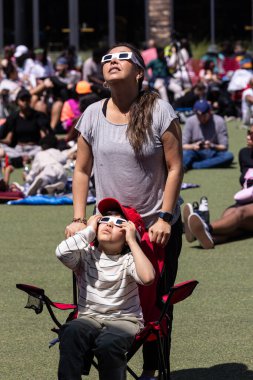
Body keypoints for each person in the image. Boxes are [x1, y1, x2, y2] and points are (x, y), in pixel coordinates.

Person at [65, 42, 183, 380]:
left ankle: (152, 369)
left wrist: (165, 216)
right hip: (110, 229)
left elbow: (175, 167)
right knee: (101, 297)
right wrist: (78, 219)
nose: (113, 62)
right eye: (107, 58)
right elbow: (82, 171)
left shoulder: (160, 110)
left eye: (122, 58)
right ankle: (98, 362)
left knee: (157, 303)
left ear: (140, 73)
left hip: (154, 227)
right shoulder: (91, 114)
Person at [57, 197, 155, 380]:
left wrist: (133, 242)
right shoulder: (85, 256)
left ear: (128, 234)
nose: (109, 225)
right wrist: (88, 230)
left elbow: (148, 278)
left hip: (124, 320)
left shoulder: (128, 260)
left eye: (119, 223)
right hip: (89, 318)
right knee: (70, 332)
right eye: (104, 219)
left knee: (108, 344)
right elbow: (61, 252)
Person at [183, 125, 253, 249]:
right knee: (229, 216)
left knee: (239, 214)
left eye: (252, 134)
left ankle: (205, 227)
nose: (248, 136)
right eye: (248, 132)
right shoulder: (245, 153)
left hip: (246, 207)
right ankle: (206, 237)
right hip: (246, 201)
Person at [0, 88, 51, 163]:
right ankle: (22, 158)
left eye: (27, 99)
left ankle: (25, 158)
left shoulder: (38, 116)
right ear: (17, 102)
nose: (25, 102)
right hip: (18, 149)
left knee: (44, 150)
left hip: (34, 148)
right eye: (22, 99)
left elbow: (44, 137)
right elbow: (8, 140)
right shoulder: (13, 117)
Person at [182, 99, 234, 171]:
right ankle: (183, 166)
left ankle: (195, 165)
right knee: (185, 154)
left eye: (204, 115)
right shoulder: (190, 121)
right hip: (195, 152)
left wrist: (212, 145)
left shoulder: (219, 121)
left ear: (210, 112)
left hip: (213, 152)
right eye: (198, 115)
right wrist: (193, 146)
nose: (201, 118)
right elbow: (183, 145)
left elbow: (224, 147)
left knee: (228, 156)